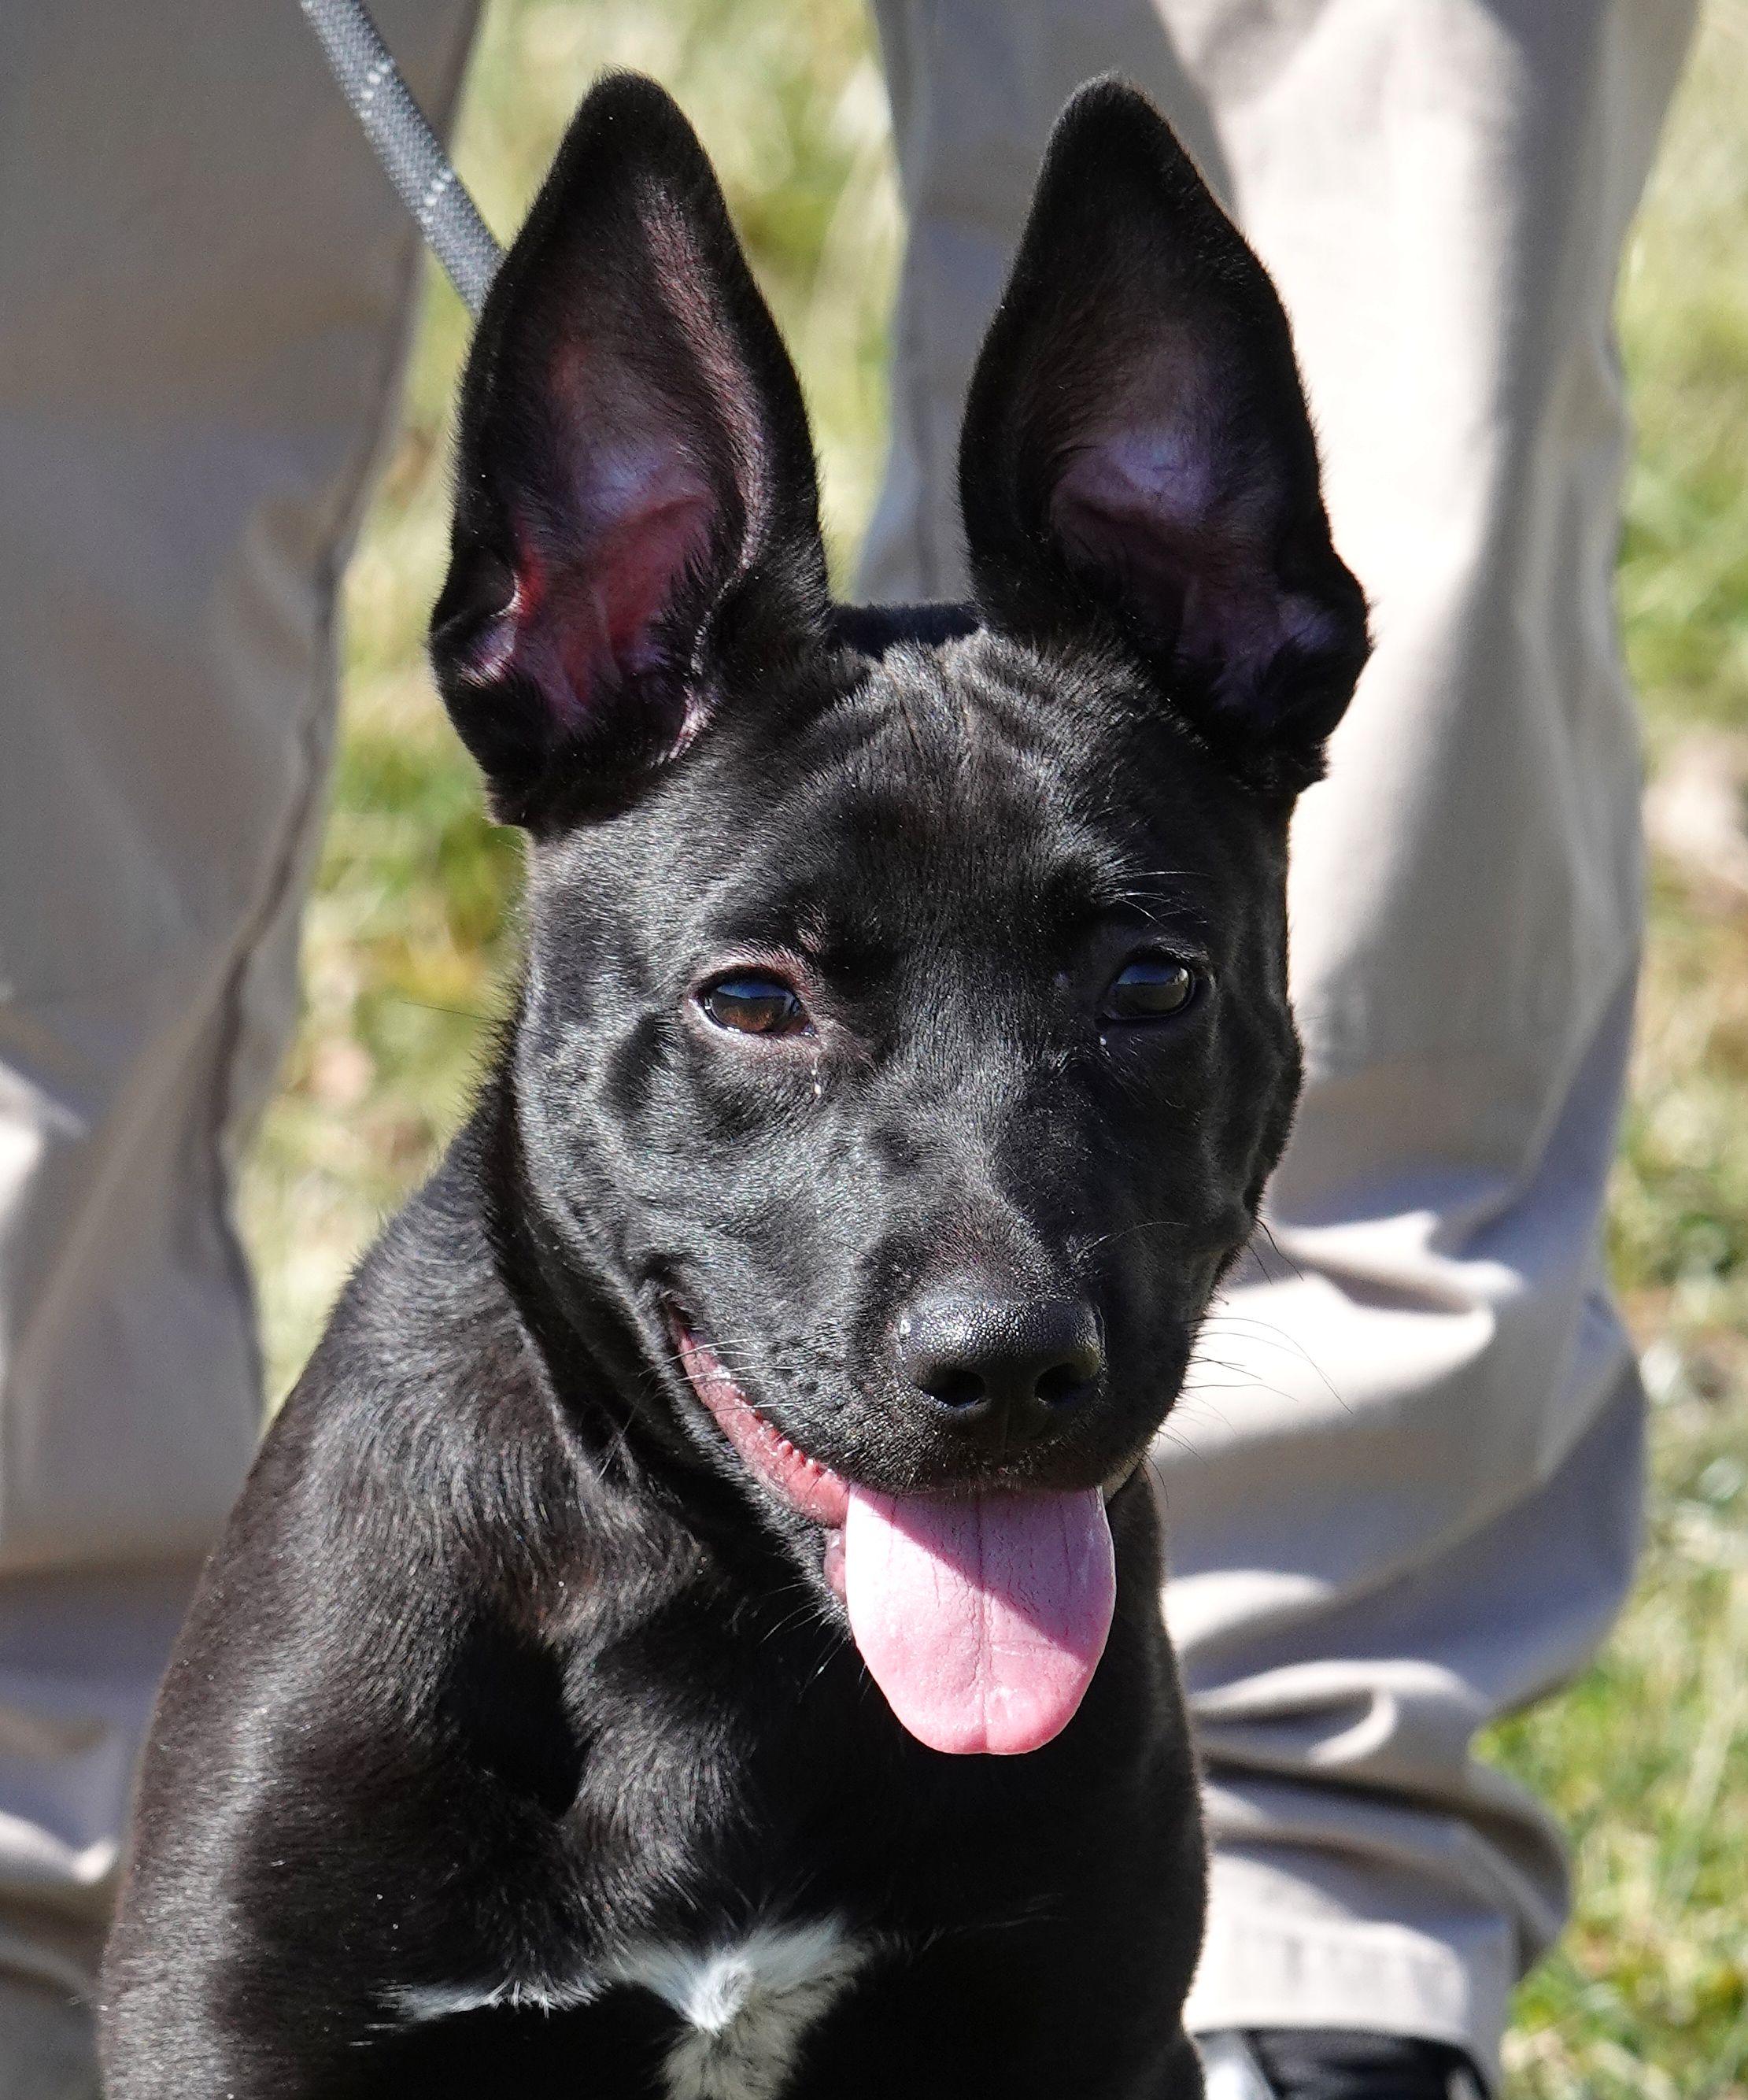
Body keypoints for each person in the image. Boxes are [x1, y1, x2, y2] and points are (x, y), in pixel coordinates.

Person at [0, 2, 1698, 2092]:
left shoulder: (1060, 1661)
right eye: (757, 999)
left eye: (1141, 992)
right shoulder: (370, 1689)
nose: (998, 1292)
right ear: (555, 627)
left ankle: (1314, 1930)